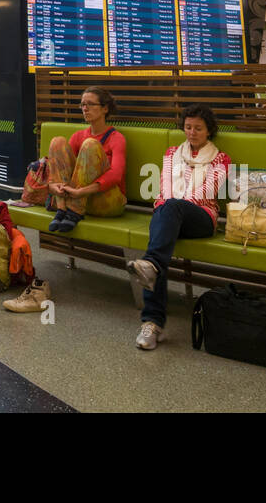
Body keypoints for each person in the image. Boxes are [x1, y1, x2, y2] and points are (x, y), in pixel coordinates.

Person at [127, 105, 231, 351]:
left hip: (202, 218)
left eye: (198, 128)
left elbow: (209, 191)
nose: (192, 132)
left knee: (165, 219)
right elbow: (164, 186)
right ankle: (152, 322)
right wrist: (169, 206)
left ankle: (153, 320)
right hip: (169, 214)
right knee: (159, 246)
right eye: (188, 127)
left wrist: (174, 206)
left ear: (209, 131)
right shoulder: (172, 153)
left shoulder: (220, 158)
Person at [21, 86, 127, 234]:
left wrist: (82, 192)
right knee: (57, 141)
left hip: (108, 201)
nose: (85, 108)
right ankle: (62, 208)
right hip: (79, 199)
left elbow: (116, 175)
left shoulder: (116, 138)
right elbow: (64, 169)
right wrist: (52, 186)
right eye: (83, 104)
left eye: (90, 104)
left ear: (105, 108)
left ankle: (74, 210)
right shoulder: (78, 136)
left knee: (90, 144)